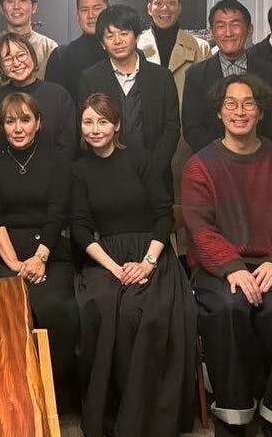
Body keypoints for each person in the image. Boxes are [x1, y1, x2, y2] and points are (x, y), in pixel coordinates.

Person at [183, 74, 272, 437]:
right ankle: (233, 415)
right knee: (229, 308)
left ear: (260, 112)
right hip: (220, 270)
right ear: (219, 112)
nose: (239, 111)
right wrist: (232, 268)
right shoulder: (200, 165)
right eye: (231, 104)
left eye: (248, 104)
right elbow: (200, 230)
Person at [73, 93, 196, 437]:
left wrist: (147, 263)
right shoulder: (78, 170)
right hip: (105, 257)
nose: (95, 129)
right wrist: (114, 268)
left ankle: (144, 416)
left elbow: (163, 216)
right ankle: (109, 413)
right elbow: (80, 227)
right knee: (102, 305)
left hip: (152, 252)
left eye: (102, 121)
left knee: (138, 312)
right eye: (88, 122)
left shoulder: (140, 158)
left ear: (117, 125)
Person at [0, 92, 77, 408]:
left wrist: (39, 258)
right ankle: (5, 394)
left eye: (25, 120)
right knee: (0, 304)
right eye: (10, 121)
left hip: (49, 250)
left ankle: (52, 393)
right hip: (4, 252)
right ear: (2, 126)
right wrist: (14, 264)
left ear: (38, 123)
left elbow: (56, 213)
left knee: (53, 306)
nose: (18, 128)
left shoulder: (57, 161)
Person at [77, 5, 181, 185]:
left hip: (155, 176)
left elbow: (171, 128)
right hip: (105, 175)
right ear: (102, 44)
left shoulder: (162, 77)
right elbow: (86, 127)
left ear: (137, 36)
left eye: (124, 33)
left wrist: (154, 168)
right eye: (110, 36)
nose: (117, 41)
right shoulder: (90, 79)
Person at [182, 0, 272, 155]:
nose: (228, 33)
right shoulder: (196, 75)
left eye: (235, 25)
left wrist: (256, 156)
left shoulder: (270, 73)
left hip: (261, 160)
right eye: (220, 26)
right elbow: (192, 127)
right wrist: (222, 158)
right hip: (213, 162)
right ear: (212, 32)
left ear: (249, 30)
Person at [136, 0, 212, 204]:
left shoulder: (200, 47)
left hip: (185, 138)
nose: (165, 8)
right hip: (146, 135)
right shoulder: (135, 44)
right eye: (158, 2)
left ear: (180, 7)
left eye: (171, 2)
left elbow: (208, 98)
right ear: (149, 8)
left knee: (185, 200)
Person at [0, 33, 76, 160]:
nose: (16, 63)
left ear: (32, 56)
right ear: (1, 67)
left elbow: (68, 145)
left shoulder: (58, 95)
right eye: (8, 59)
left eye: (21, 55)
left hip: (55, 169)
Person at [44, 0, 109, 99]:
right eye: (84, 10)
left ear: (108, 11)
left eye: (97, 8)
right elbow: (54, 101)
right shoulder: (61, 55)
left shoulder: (121, 52)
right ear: (77, 16)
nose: (91, 15)